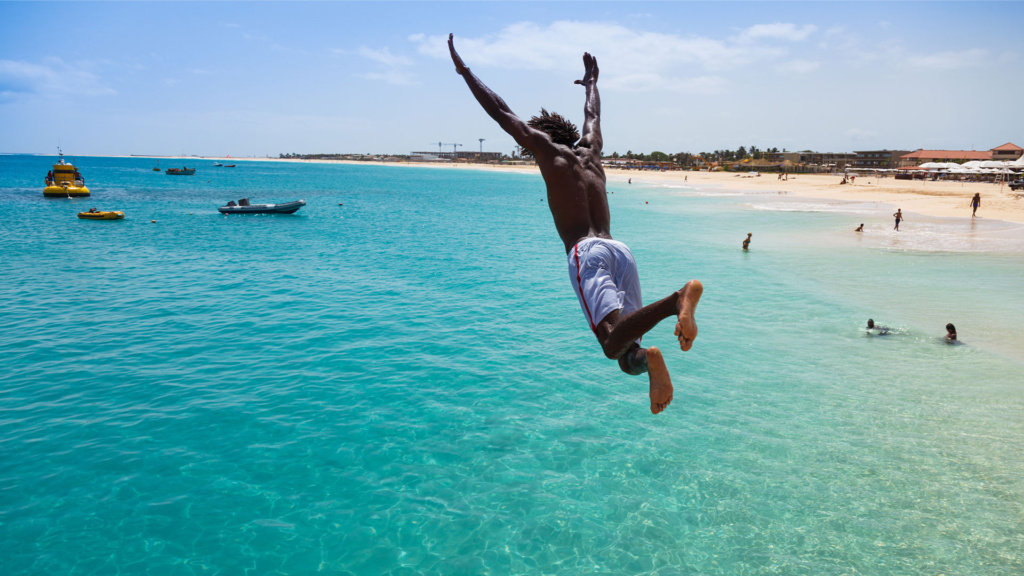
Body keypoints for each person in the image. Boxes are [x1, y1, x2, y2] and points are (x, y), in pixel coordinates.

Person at [448, 34, 702, 414]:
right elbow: (593, 116)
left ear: (542, 137)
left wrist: (464, 71)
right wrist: (592, 83)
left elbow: (502, 113)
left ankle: (675, 300)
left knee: (610, 341)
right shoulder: (591, 153)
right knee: (625, 352)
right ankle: (650, 357)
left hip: (588, 252)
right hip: (621, 250)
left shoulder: (550, 154)